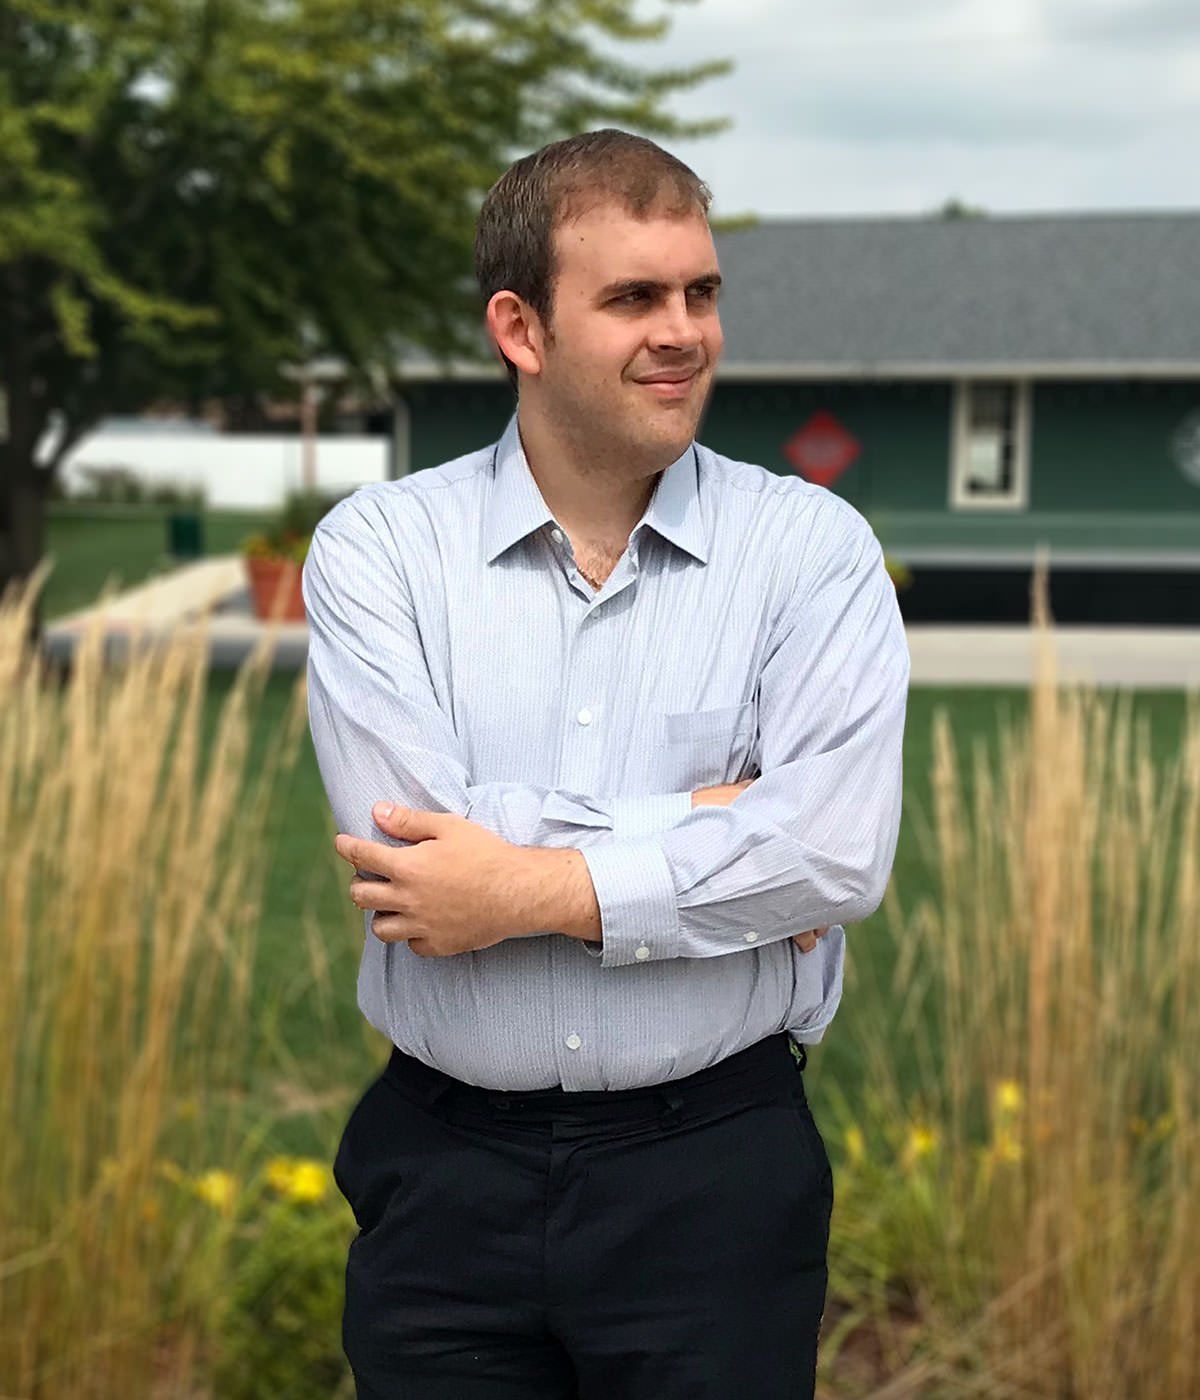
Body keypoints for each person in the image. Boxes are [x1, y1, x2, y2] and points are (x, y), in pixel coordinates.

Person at [303, 127, 910, 1400]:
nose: (682, 329)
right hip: (445, 1176)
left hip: (715, 1175)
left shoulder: (811, 550)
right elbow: (418, 855)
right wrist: (714, 820)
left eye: (700, 292)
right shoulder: (380, 552)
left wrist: (517, 880)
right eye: (633, 297)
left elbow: (835, 848)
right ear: (520, 328)